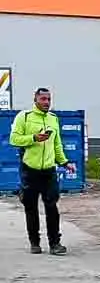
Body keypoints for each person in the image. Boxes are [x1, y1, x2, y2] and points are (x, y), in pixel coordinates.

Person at [10, 87, 75, 255]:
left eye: (48, 99)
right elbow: (14, 139)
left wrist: (64, 162)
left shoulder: (53, 119)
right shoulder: (24, 117)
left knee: (52, 207)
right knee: (31, 208)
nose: (46, 102)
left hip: (49, 171)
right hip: (29, 170)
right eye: (43, 99)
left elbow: (57, 144)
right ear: (35, 100)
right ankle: (35, 243)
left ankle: (55, 244)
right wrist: (33, 138)